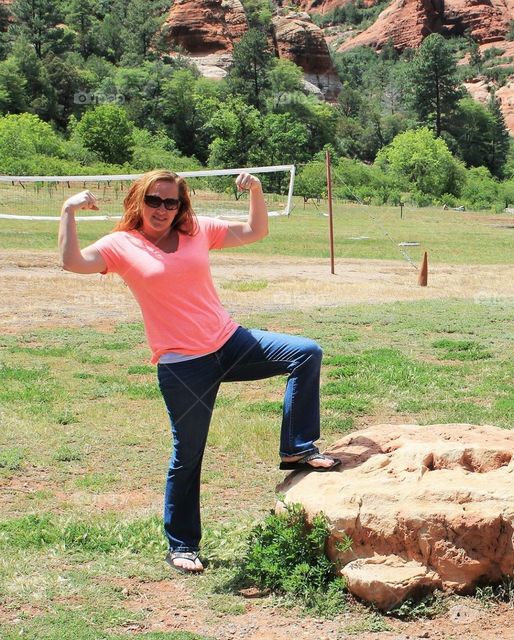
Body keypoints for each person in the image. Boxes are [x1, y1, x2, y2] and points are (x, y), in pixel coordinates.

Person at [58, 170, 340, 574]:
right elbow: (72, 262)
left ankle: (297, 447)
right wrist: (68, 211)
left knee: (306, 353)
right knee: (188, 456)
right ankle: (182, 545)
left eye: (170, 202)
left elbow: (255, 231)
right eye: (154, 200)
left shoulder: (196, 229)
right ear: (139, 200)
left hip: (230, 343)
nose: (162, 209)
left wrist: (256, 190)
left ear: (180, 205)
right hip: (183, 367)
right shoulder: (121, 244)